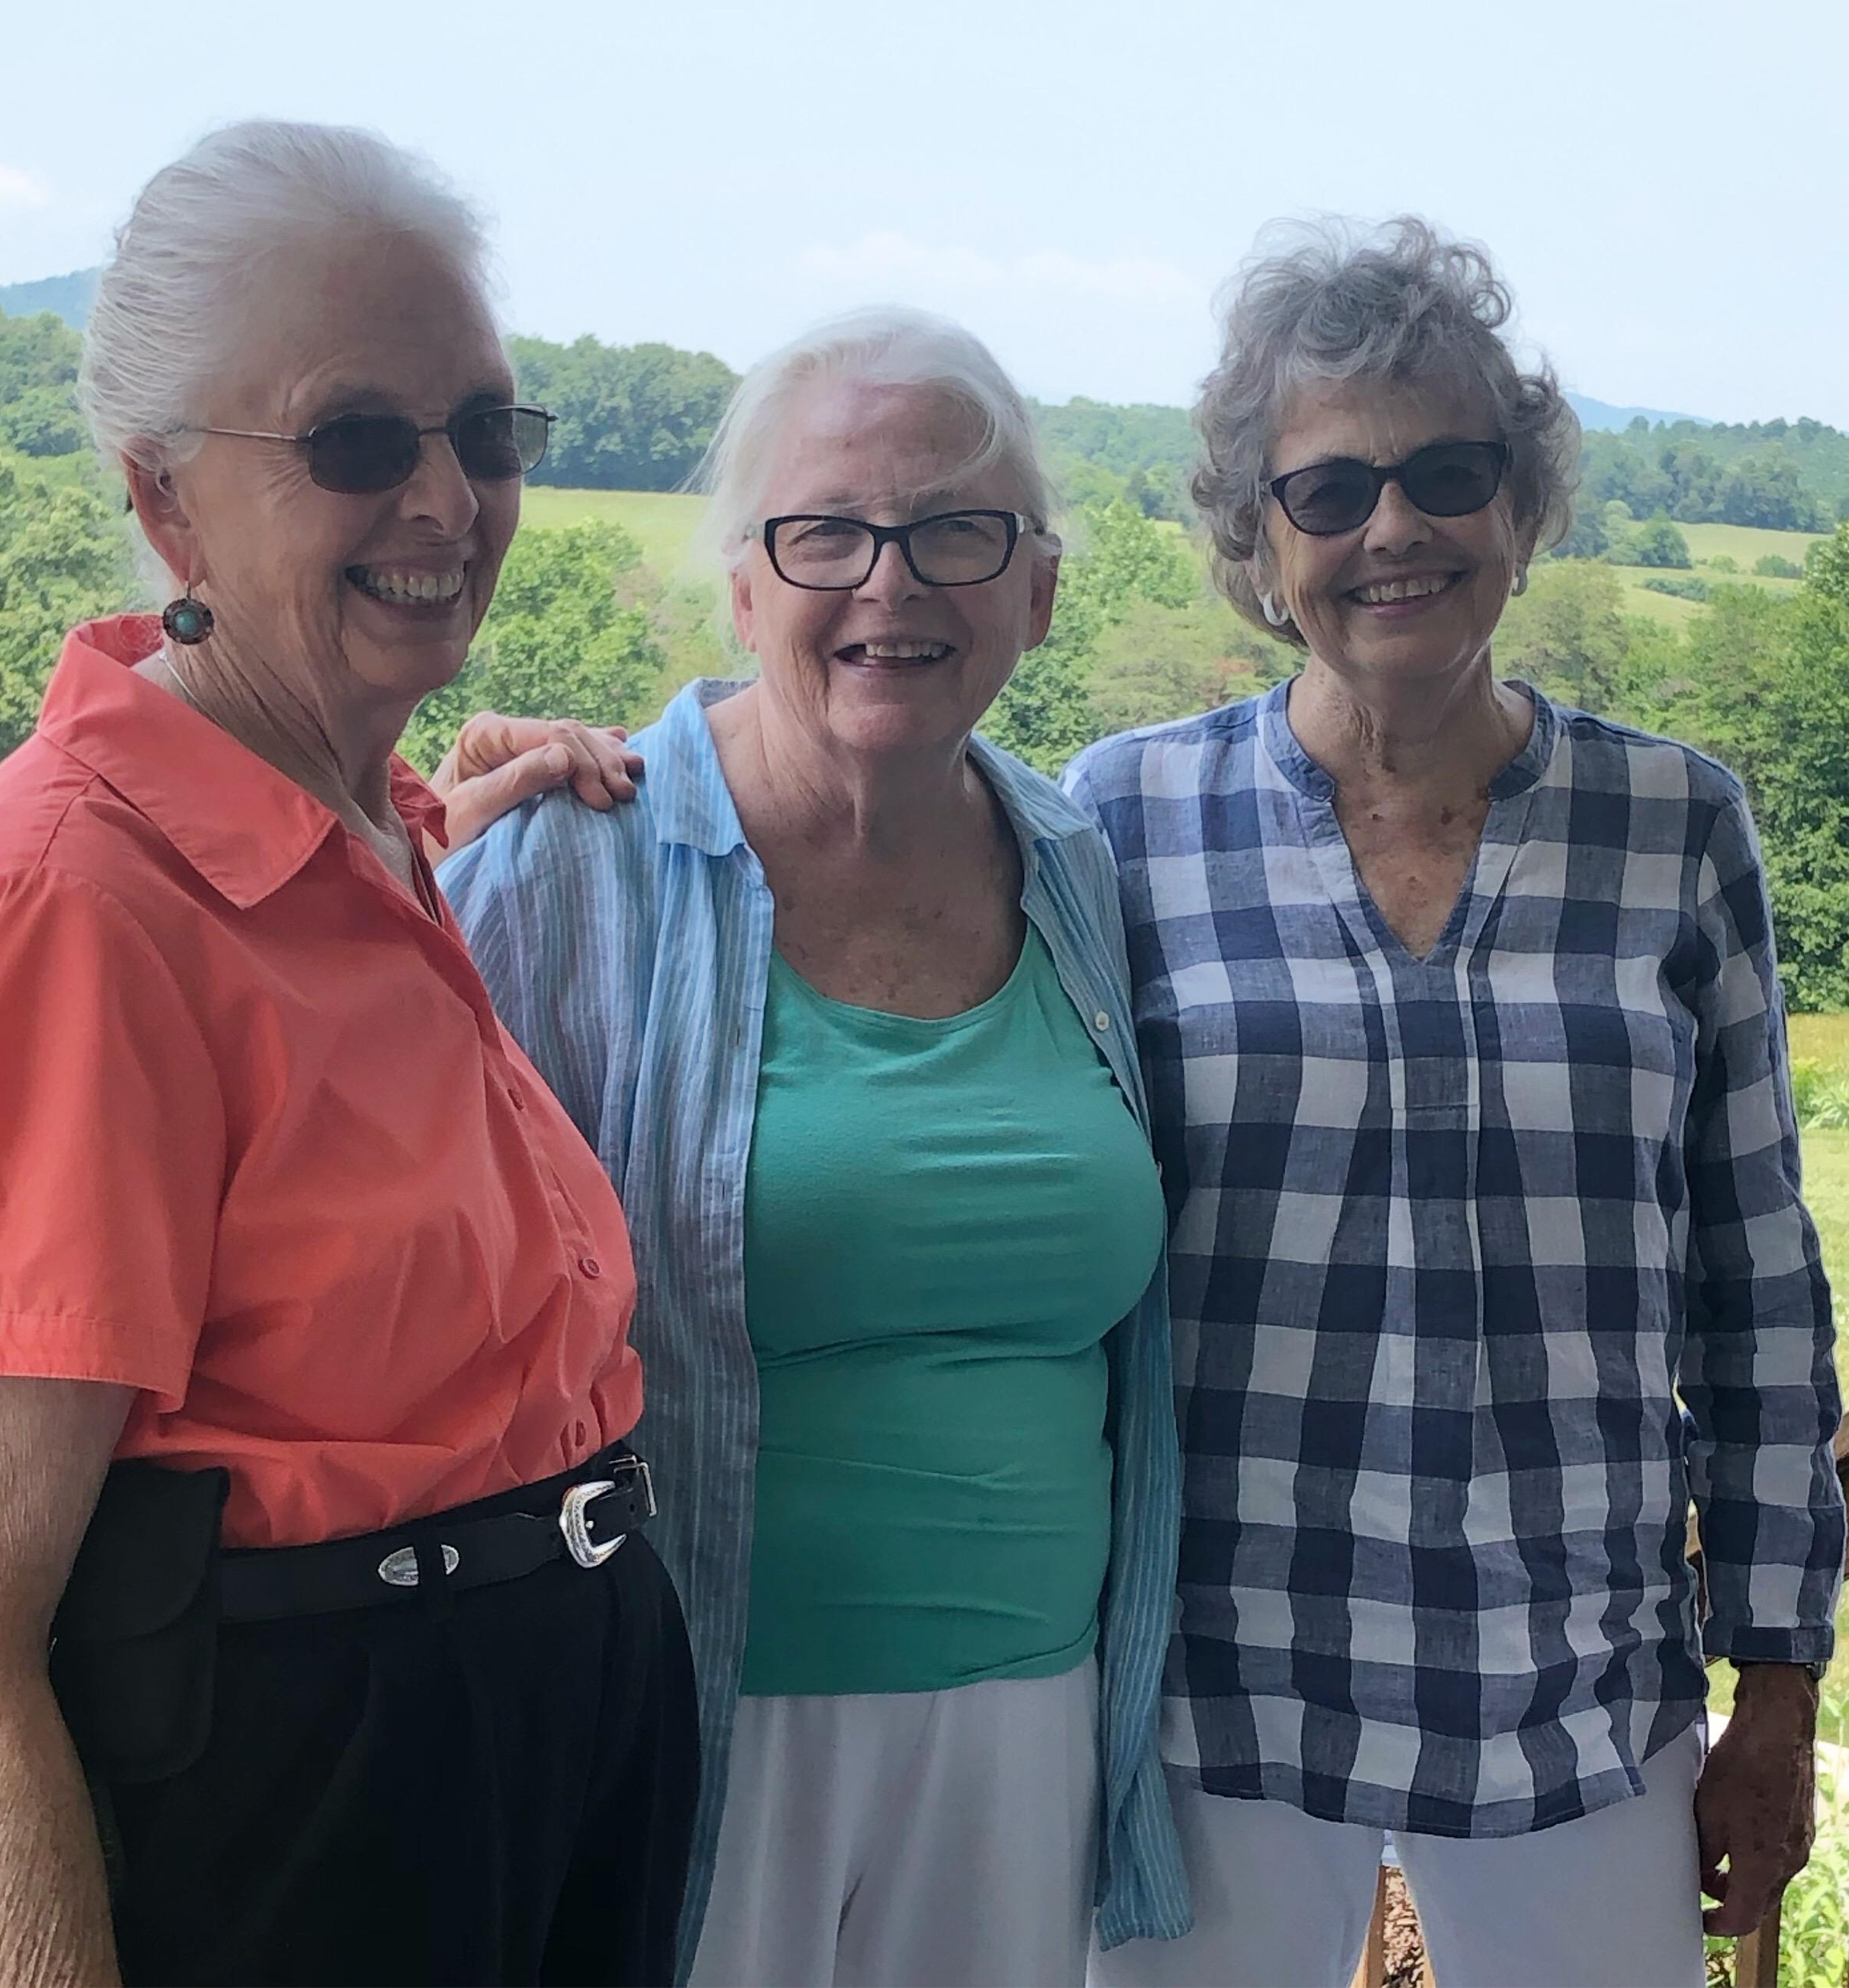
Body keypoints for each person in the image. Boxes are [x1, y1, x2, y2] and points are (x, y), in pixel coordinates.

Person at [0, 120, 691, 1987]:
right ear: (168, 507)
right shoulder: (64, 904)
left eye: (483, 430)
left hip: (531, 1740)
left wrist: (445, 824)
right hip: (314, 1802)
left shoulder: (364, 832)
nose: (446, 498)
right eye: (353, 440)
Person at [1069, 218, 1845, 1988]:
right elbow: (844, 848)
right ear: (1255, 541)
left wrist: (1776, 1682)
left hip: (1580, 1705)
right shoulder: (1108, 823)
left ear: (1518, 504)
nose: (1390, 526)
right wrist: (599, 786)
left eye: (1444, 472)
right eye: (1326, 488)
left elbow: (1755, 1288)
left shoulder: (1677, 824)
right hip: (1214, 1693)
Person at [440, 309, 1189, 1987]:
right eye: (826, 531)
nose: (889, 582)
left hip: (1033, 1716)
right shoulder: (570, 867)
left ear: (1037, 590)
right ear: (743, 589)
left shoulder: (1078, 870)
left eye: (953, 532)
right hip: (693, 1702)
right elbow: (359, 1193)